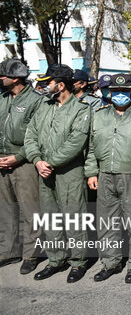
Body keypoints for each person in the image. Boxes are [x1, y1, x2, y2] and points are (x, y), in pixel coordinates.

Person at [85, 74, 131, 284]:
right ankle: (111, 263)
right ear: (109, 93)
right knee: (107, 223)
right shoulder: (98, 115)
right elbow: (90, 146)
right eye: (116, 92)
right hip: (105, 174)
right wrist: (91, 172)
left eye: (125, 92)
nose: (120, 95)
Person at [24, 64, 92, 283]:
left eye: (47, 82)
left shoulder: (81, 109)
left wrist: (50, 162)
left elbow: (76, 142)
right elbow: (30, 135)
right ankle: (56, 260)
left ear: (60, 85)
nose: (43, 86)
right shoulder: (44, 106)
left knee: (74, 218)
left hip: (68, 172)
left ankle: (78, 262)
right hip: (44, 170)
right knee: (50, 218)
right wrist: (37, 160)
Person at [0, 59, 43, 274]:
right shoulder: (2, 98)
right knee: (6, 209)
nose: (0, 78)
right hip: (1, 160)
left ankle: (31, 254)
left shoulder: (36, 101)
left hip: (24, 162)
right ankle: (8, 251)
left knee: (30, 210)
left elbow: (39, 135)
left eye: (3, 74)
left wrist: (19, 156)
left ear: (15, 78)